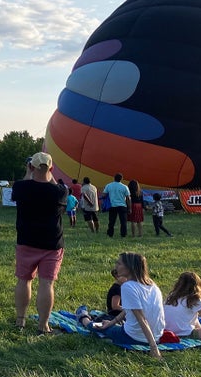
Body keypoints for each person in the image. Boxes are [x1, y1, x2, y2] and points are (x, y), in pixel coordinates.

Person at [11, 152, 66, 333]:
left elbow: (26, 184)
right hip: (52, 242)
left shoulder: (20, 188)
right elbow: (54, 185)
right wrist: (49, 175)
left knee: (23, 280)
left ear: (31, 167)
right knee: (46, 284)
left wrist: (29, 174)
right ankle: (43, 324)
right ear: (51, 169)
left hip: (26, 240)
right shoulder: (59, 191)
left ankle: (21, 320)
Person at [75, 252, 165, 359]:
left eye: (119, 264)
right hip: (157, 336)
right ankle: (107, 323)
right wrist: (112, 322)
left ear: (129, 267)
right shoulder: (152, 285)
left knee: (96, 326)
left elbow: (141, 318)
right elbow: (130, 309)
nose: (116, 266)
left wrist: (154, 348)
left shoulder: (128, 286)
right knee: (108, 324)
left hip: (135, 338)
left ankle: (83, 317)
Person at [104, 173, 130, 238]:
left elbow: (104, 195)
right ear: (121, 179)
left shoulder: (109, 185)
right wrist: (129, 208)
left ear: (114, 178)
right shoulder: (124, 187)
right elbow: (128, 198)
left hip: (113, 206)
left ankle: (110, 234)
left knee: (111, 221)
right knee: (123, 222)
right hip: (122, 206)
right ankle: (123, 234)